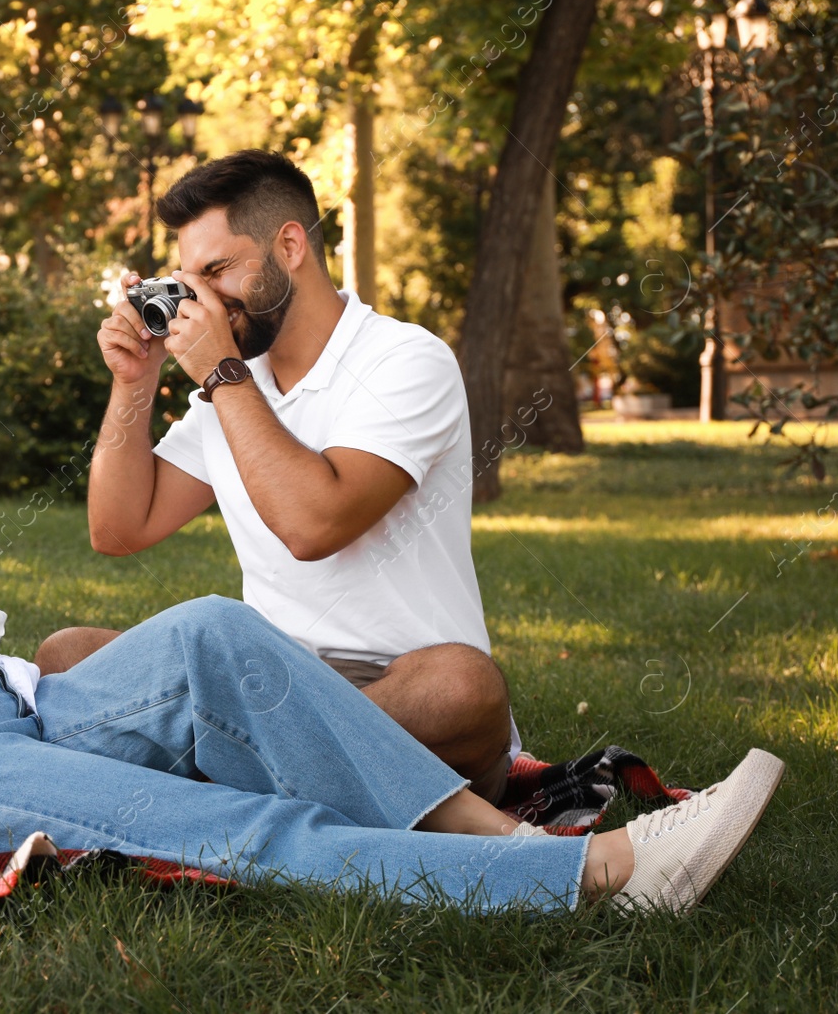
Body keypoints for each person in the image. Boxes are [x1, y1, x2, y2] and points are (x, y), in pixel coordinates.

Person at [0, 254, 784, 915]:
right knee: (237, 829)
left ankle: (506, 840)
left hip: (6, 699)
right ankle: (596, 877)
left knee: (211, 631)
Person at [54, 150, 513, 801]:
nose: (204, 299)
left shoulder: (405, 360)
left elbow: (313, 524)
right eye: (191, 279)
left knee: (465, 687)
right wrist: (135, 382)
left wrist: (221, 375)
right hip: (266, 686)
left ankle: (224, 781)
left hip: (400, 693)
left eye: (217, 270)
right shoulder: (236, 379)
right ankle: (283, 778)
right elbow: (119, 527)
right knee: (69, 655)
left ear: (290, 245)